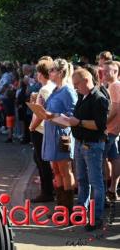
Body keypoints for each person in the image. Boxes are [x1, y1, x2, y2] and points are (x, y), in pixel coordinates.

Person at [68, 69, 109, 230]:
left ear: (86, 80)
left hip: (92, 145)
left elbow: (99, 125)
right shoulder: (82, 95)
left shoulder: (99, 99)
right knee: (82, 180)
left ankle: (96, 217)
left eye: (76, 84)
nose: (75, 87)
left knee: (95, 182)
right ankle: (81, 212)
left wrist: (77, 122)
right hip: (80, 143)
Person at [42, 58, 77, 216]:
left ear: (61, 72)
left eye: (52, 70)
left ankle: (67, 209)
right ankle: (60, 208)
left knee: (65, 170)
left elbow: (73, 116)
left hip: (62, 135)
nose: (49, 73)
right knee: (56, 170)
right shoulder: (56, 89)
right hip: (51, 134)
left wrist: (52, 115)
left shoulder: (68, 90)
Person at [28, 57, 55, 202]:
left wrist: (32, 126)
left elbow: (41, 112)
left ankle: (47, 192)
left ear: (41, 73)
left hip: (40, 129)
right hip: (46, 129)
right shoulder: (51, 87)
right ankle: (49, 189)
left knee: (42, 161)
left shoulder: (45, 89)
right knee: (43, 160)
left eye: (37, 72)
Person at [103, 60, 120, 202]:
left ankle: (107, 191)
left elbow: (115, 109)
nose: (104, 72)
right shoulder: (114, 85)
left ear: (115, 72)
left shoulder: (115, 85)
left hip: (110, 130)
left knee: (102, 160)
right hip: (114, 130)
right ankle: (112, 190)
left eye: (107, 70)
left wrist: (103, 124)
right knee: (115, 159)